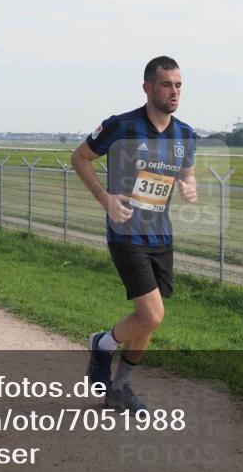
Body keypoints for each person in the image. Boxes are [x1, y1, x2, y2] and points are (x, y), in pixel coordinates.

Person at [71, 56, 197, 413]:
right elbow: (79, 158)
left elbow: (187, 172)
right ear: (147, 88)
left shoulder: (184, 133)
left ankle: (120, 389)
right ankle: (102, 345)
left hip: (161, 236)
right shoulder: (121, 126)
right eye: (166, 84)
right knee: (153, 315)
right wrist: (105, 199)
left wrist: (190, 187)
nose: (173, 91)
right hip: (126, 233)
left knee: (147, 321)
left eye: (178, 85)